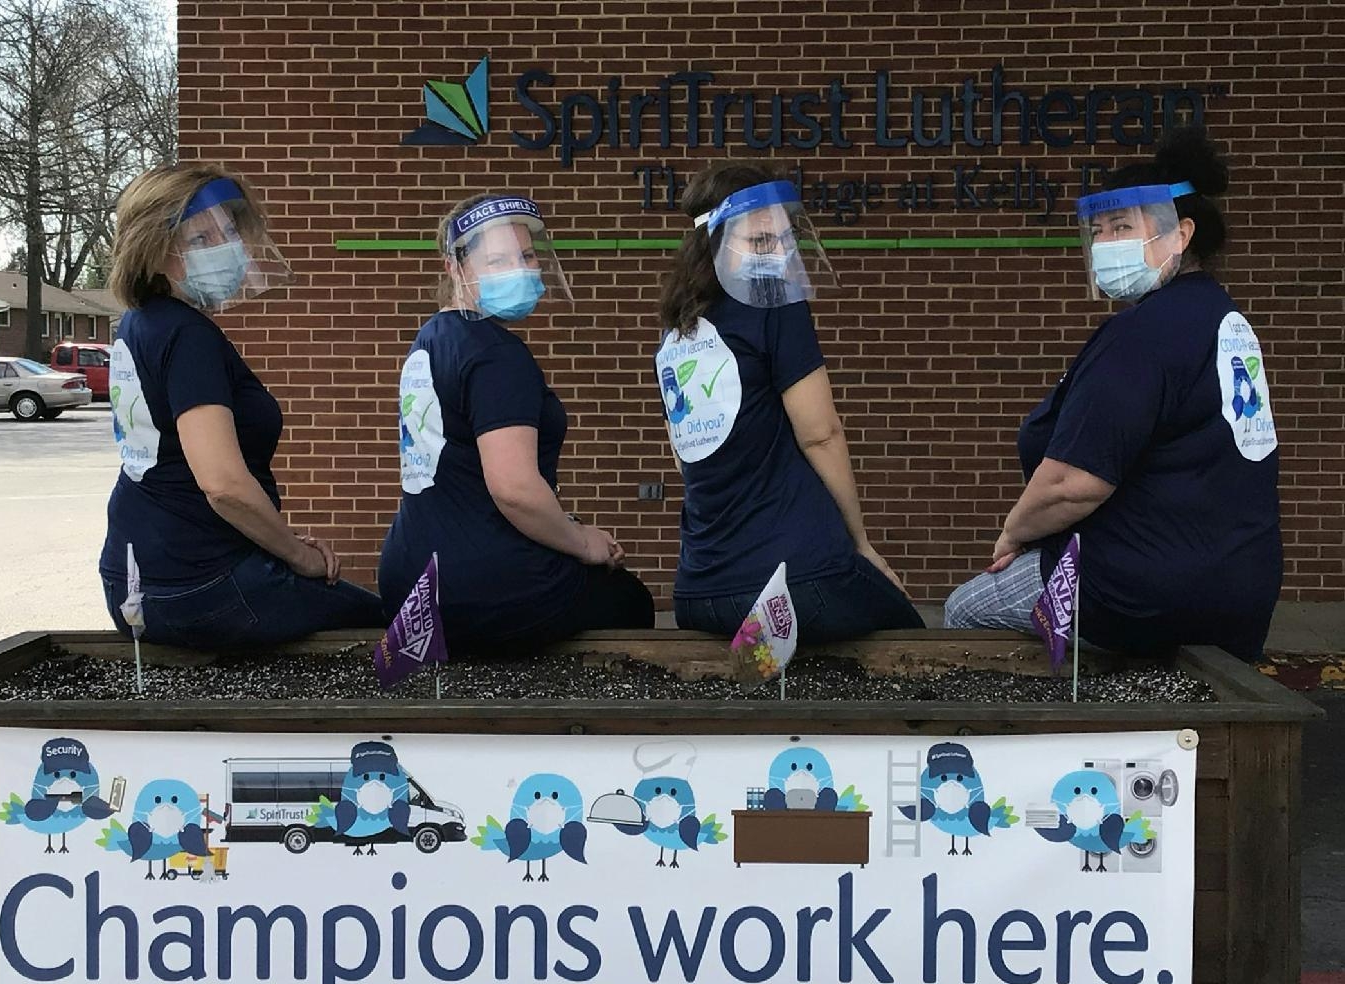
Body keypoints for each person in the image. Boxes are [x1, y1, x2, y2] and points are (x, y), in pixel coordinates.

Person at [943, 129, 1282, 662]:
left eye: (1123, 227)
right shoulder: (1223, 318)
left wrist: (1014, 533)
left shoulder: (1141, 335)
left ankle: (1023, 739)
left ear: (1181, 234)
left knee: (965, 609)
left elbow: (1072, 485)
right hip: (1241, 583)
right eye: (1099, 230)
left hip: (1140, 588)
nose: (1106, 244)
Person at [99, 165, 381, 649]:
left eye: (229, 229)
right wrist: (298, 555)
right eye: (203, 237)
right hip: (199, 585)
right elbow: (223, 485)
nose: (228, 245)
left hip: (137, 577)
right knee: (396, 628)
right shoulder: (188, 336)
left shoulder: (141, 322)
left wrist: (277, 541)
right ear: (155, 246)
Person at [653, 163, 922, 640]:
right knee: (908, 636)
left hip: (699, 591)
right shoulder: (774, 302)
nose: (777, 254)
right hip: (796, 580)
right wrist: (861, 545)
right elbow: (821, 434)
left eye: (783, 239)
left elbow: (684, 459)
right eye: (760, 242)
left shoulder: (679, 330)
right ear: (713, 241)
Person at [378, 193, 654, 649]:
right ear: (456, 269)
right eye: (500, 259)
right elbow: (515, 489)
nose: (522, 269)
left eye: (527, 256)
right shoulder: (496, 354)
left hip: (413, 577)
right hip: (486, 584)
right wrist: (582, 541)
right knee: (632, 602)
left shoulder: (431, 339)